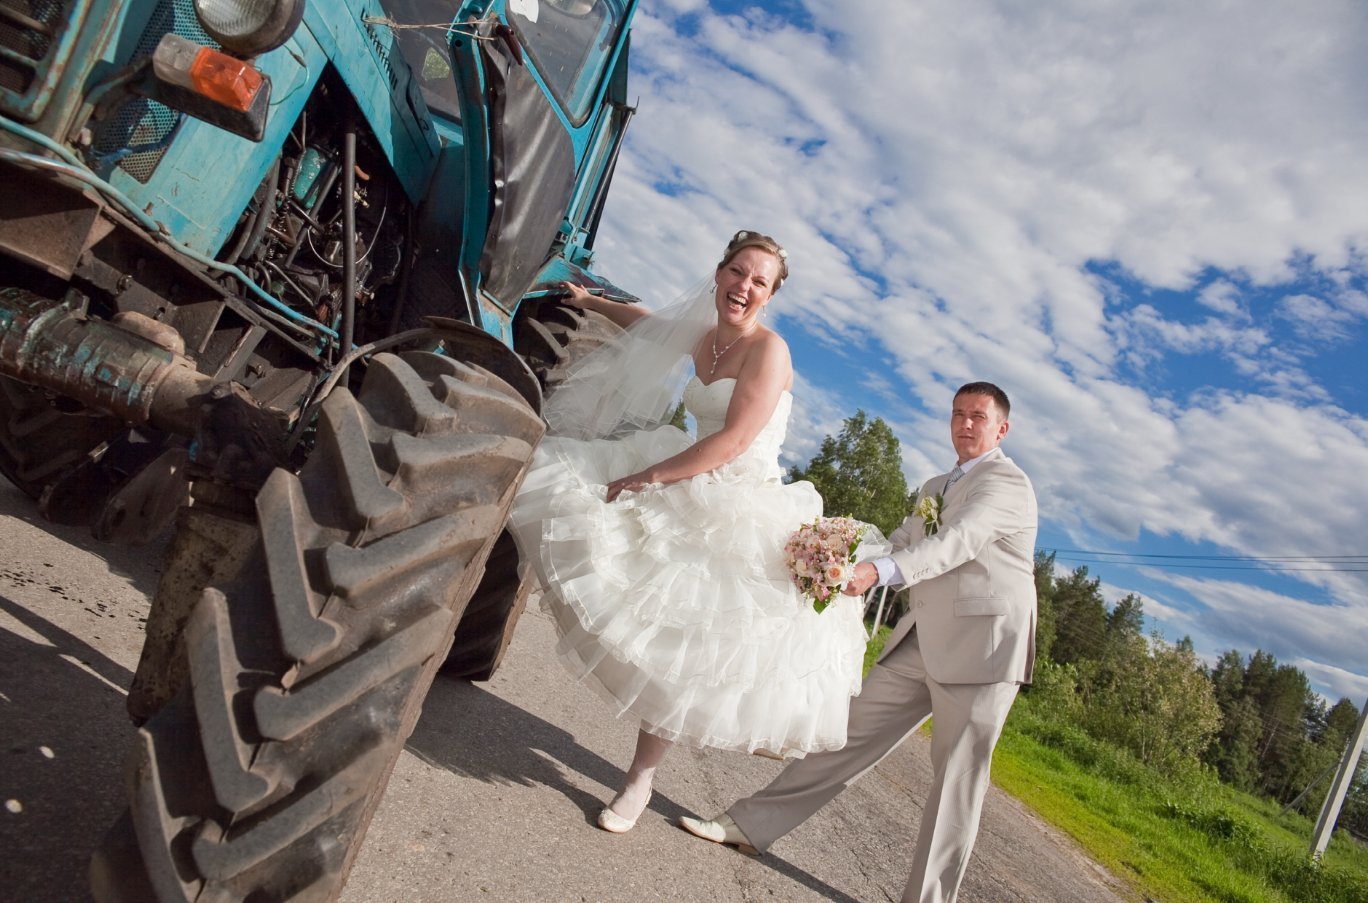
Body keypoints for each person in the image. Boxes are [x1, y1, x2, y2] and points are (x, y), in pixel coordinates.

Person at [506, 230, 876, 835]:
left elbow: (733, 441)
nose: (745, 286)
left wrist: (648, 476)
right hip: (686, 463)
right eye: (738, 272)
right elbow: (646, 321)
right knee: (560, 479)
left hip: (735, 496)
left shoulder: (770, 351)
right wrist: (591, 301)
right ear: (719, 273)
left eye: (760, 281)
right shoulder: (702, 335)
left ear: (771, 294)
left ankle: (639, 780)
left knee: (686, 646)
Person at [679, 381, 1038, 903]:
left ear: (1001, 428)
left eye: (978, 416)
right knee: (843, 738)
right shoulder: (935, 485)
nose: (965, 423)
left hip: (983, 653)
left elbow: (956, 543)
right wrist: (830, 552)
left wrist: (878, 571)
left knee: (955, 790)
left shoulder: (1008, 485)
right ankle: (748, 826)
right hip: (921, 641)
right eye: (958, 413)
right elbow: (900, 544)